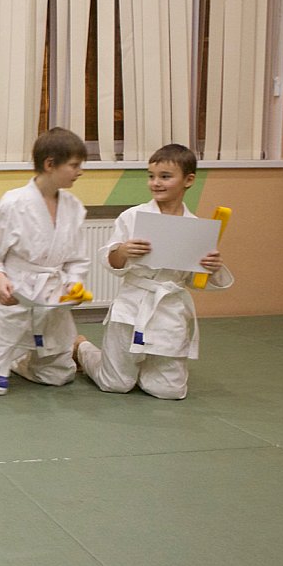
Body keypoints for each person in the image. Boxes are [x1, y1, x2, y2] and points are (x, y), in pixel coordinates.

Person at [73, 144, 234, 399]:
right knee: (115, 384)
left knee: (169, 391)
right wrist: (123, 251)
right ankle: (82, 348)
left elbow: (195, 281)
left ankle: (143, 368)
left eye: (165, 176)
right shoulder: (132, 216)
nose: (156, 183)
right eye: (151, 176)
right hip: (131, 306)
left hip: (169, 310)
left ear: (188, 180)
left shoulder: (195, 228)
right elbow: (111, 261)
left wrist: (211, 268)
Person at [0, 128, 90, 394]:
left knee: (58, 376)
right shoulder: (14, 203)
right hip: (17, 295)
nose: (80, 171)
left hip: (52, 299)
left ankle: (18, 359)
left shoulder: (74, 208)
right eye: (74, 165)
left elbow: (77, 260)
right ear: (50, 164)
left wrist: (74, 284)